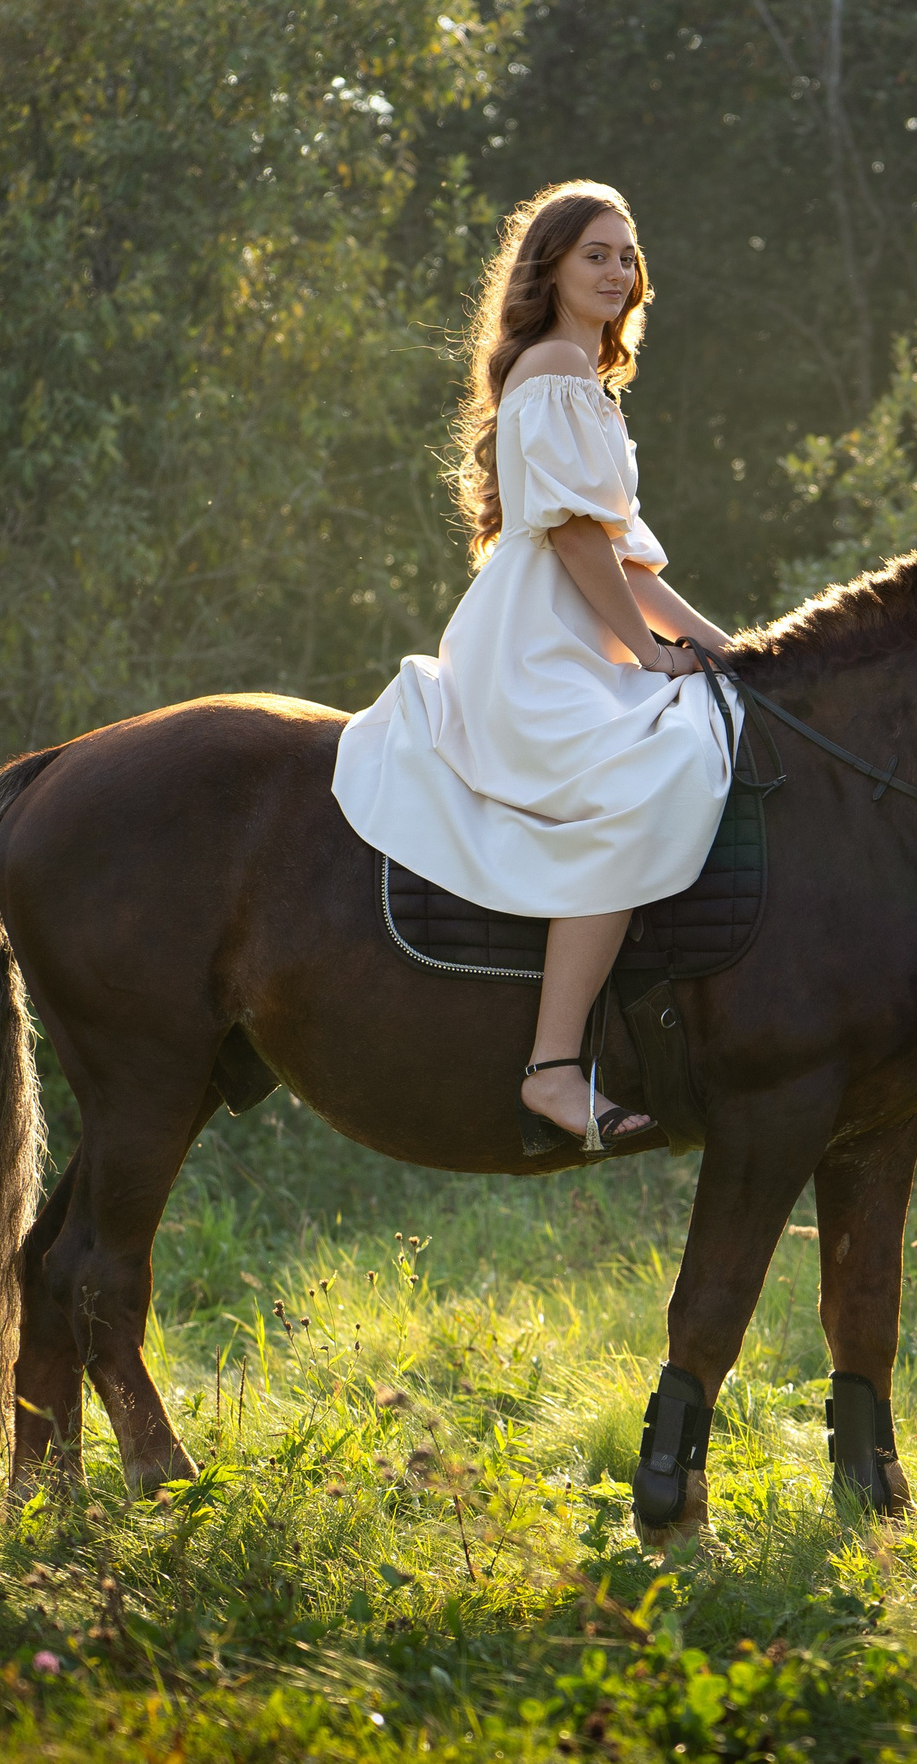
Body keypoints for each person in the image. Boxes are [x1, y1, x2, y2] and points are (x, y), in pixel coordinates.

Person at [333, 182, 738, 1148]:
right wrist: (647, 654)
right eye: (595, 253)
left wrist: (718, 645)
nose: (615, 272)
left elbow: (626, 556)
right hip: (539, 652)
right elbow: (578, 546)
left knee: (707, 723)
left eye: (627, 256)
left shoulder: (578, 378)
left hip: (573, 636)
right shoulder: (555, 367)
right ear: (550, 266)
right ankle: (554, 1067)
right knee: (656, 776)